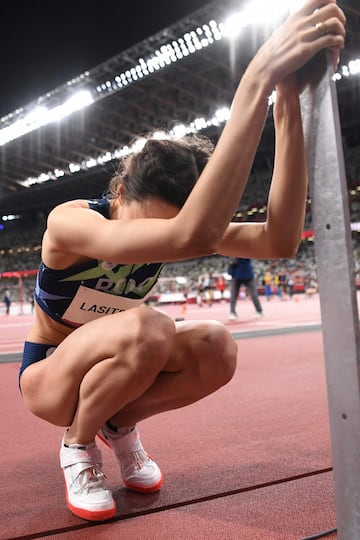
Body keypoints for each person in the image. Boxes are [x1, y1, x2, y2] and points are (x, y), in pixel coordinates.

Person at [18, 0, 346, 522]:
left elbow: (281, 240)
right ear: (119, 191)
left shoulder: (185, 228)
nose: (154, 242)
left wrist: (287, 106)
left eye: (165, 228)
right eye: (144, 226)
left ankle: (119, 428)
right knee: (148, 325)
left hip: (124, 366)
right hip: (50, 375)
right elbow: (185, 234)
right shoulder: (71, 222)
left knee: (215, 345)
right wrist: (257, 77)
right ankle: (78, 445)